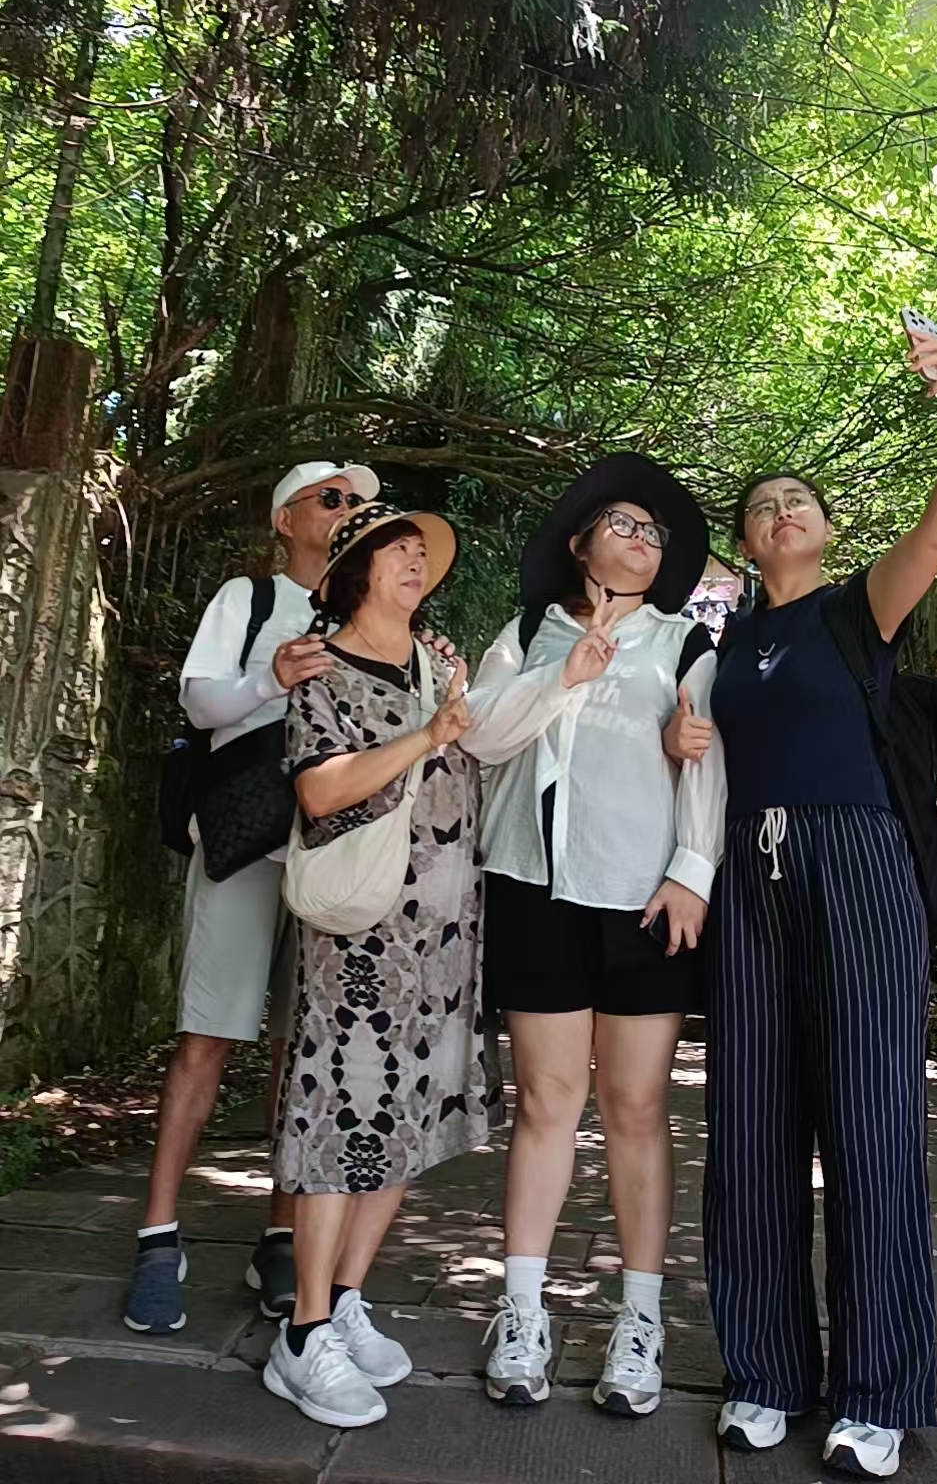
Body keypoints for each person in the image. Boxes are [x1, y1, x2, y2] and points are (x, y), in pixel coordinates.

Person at [692, 334, 937, 1479]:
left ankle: (876, 1392)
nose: (782, 512)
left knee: (870, 1129)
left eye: (799, 502)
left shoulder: (857, 609)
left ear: (824, 529)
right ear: (743, 542)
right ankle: (765, 1373)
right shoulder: (726, 645)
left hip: (858, 865)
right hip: (750, 872)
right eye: (762, 506)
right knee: (749, 1130)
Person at [473, 453, 726, 1419]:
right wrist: (563, 678)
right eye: (622, 523)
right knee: (545, 1102)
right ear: (580, 544)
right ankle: (522, 1311)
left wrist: (691, 871)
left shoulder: (684, 643)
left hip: (641, 897)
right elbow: (481, 737)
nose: (642, 538)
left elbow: (706, 761)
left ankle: (640, 1318)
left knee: (635, 1105)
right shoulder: (526, 635)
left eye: (654, 532)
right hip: (533, 889)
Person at [264, 496, 508, 1428]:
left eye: (419, 550)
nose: (413, 561)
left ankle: (346, 1300)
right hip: (359, 938)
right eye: (393, 549)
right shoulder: (320, 671)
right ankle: (302, 1333)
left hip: (441, 938)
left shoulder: (437, 663)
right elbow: (321, 791)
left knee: (402, 1118)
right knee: (341, 1119)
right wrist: (425, 738)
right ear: (354, 572)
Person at [123, 461, 379, 1335]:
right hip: (243, 843)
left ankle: (280, 1236)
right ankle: (158, 1236)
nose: (347, 512)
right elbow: (202, 705)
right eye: (331, 499)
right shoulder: (250, 598)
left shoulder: (370, 613)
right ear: (286, 519)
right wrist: (272, 678)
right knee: (208, 1036)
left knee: (299, 1051)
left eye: (359, 503)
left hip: (332, 857)